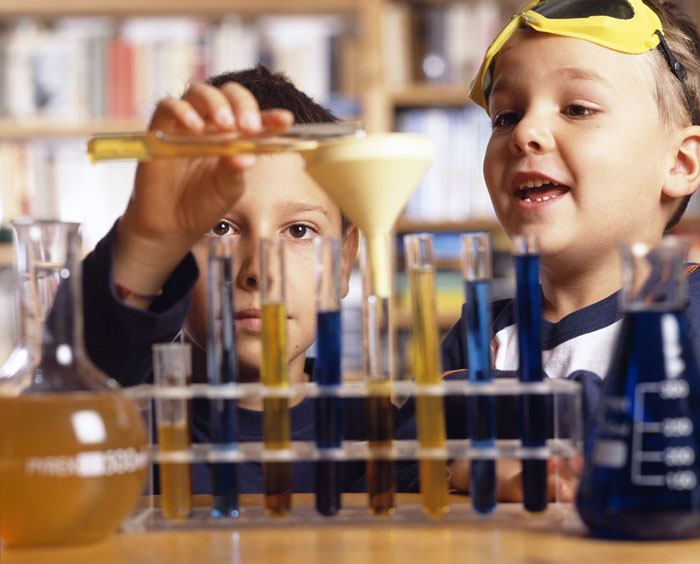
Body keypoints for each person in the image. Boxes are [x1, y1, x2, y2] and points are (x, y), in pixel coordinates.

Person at [78, 64, 412, 494]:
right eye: (220, 228)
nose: (257, 272)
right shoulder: (120, 418)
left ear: (344, 262)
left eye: (298, 230)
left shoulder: (390, 437)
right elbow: (69, 381)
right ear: (171, 251)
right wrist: (142, 244)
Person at [437, 0, 700, 501]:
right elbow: (403, 461)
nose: (525, 134)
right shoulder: (478, 335)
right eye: (505, 116)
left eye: (577, 108)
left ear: (680, 163)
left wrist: (488, 446)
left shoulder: (688, 316)